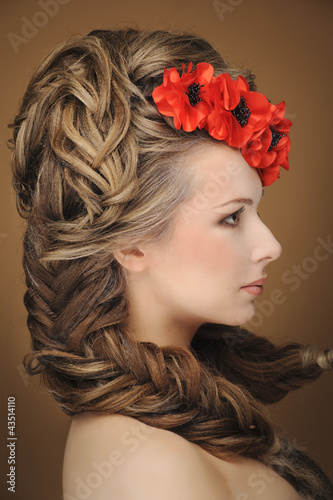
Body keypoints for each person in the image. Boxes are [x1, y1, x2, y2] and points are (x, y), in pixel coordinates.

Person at [9, 28, 333, 500]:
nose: (271, 246)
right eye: (232, 217)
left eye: (256, 211)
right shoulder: (148, 471)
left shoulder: (179, 412)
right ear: (131, 244)